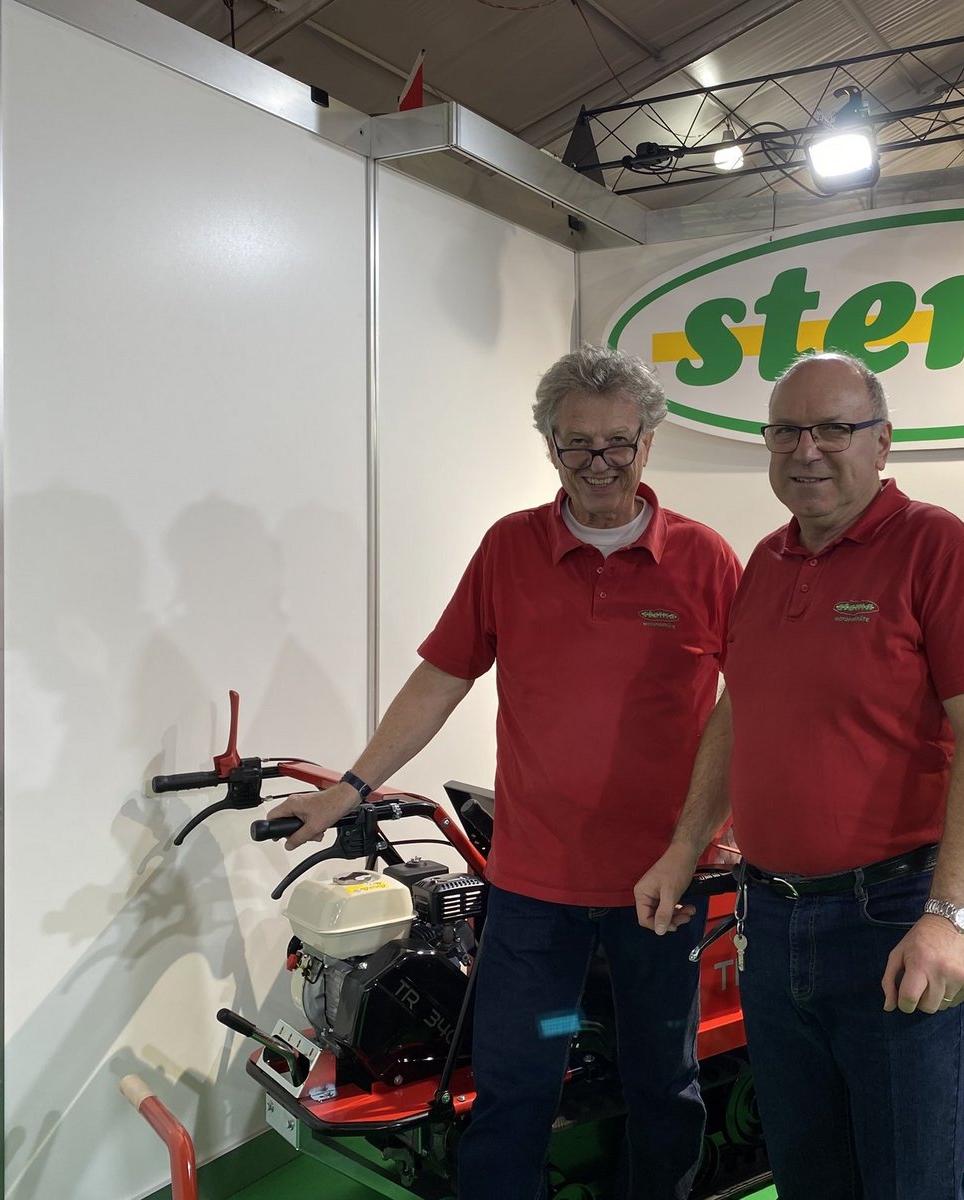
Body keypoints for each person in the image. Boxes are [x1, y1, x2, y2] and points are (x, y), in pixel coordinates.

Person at [270, 346, 741, 1200]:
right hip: (532, 886)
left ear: (648, 441)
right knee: (513, 1089)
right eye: (576, 445)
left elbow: (749, 704)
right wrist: (351, 786)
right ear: (550, 445)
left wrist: (724, 831)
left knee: (663, 1086)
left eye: (617, 443)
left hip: (661, 885)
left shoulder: (706, 559)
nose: (598, 464)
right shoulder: (509, 549)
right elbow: (441, 678)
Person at [634, 350, 964, 1200]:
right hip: (771, 922)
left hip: (892, 919)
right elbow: (738, 710)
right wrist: (684, 845)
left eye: (833, 429)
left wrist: (954, 917)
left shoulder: (938, 548)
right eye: (786, 431)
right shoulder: (766, 562)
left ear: (882, 442)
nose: (806, 450)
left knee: (907, 1183)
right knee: (807, 1177)